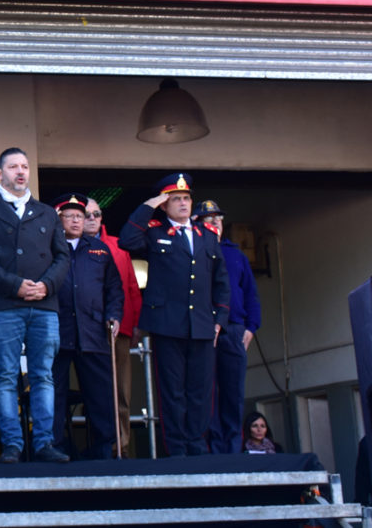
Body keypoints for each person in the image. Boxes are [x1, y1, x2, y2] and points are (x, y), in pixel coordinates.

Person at [0, 147, 70, 464]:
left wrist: (47, 285)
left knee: (43, 375)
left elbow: (63, 256)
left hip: (44, 303)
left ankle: (43, 442)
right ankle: (11, 444)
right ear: (0, 173)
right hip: (4, 305)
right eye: (13, 167)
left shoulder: (47, 212)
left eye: (25, 166)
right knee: (7, 377)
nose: (21, 172)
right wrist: (15, 285)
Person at [119, 173, 230, 457]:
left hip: (203, 325)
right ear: (165, 205)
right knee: (173, 391)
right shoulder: (155, 232)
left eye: (186, 198)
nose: (183, 203)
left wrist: (219, 321)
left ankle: (197, 445)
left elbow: (221, 282)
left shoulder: (207, 235)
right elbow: (127, 240)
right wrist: (149, 205)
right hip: (168, 325)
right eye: (175, 199)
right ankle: (178, 449)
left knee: (201, 391)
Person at [49, 193, 123, 460]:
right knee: (54, 392)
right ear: (59, 221)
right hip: (57, 331)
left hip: (92, 332)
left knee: (100, 394)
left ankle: (104, 448)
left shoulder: (100, 249)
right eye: (70, 216)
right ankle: (54, 446)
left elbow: (114, 288)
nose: (77, 221)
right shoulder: (48, 249)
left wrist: (114, 314)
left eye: (80, 216)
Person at [195, 200, 263, 455]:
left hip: (234, 329)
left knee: (233, 392)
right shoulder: (194, 252)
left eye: (218, 219)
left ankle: (234, 449)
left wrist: (251, 328)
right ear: (197, 225)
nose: (215, 222)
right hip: (204, 330)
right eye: (208, 219)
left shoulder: (236, 254)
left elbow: (251, 294)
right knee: (207, 392)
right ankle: (214, 448)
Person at [83, 197, 143, 457]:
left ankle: (123, 447)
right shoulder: (66, 247)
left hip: (118, 330)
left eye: (97, 214)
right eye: (87, 214)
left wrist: (136, 325)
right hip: (86, 331)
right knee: (96, 393)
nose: (92, 219)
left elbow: (132, 287)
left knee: (122, 393)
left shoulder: (119, 246)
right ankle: (101, 449)